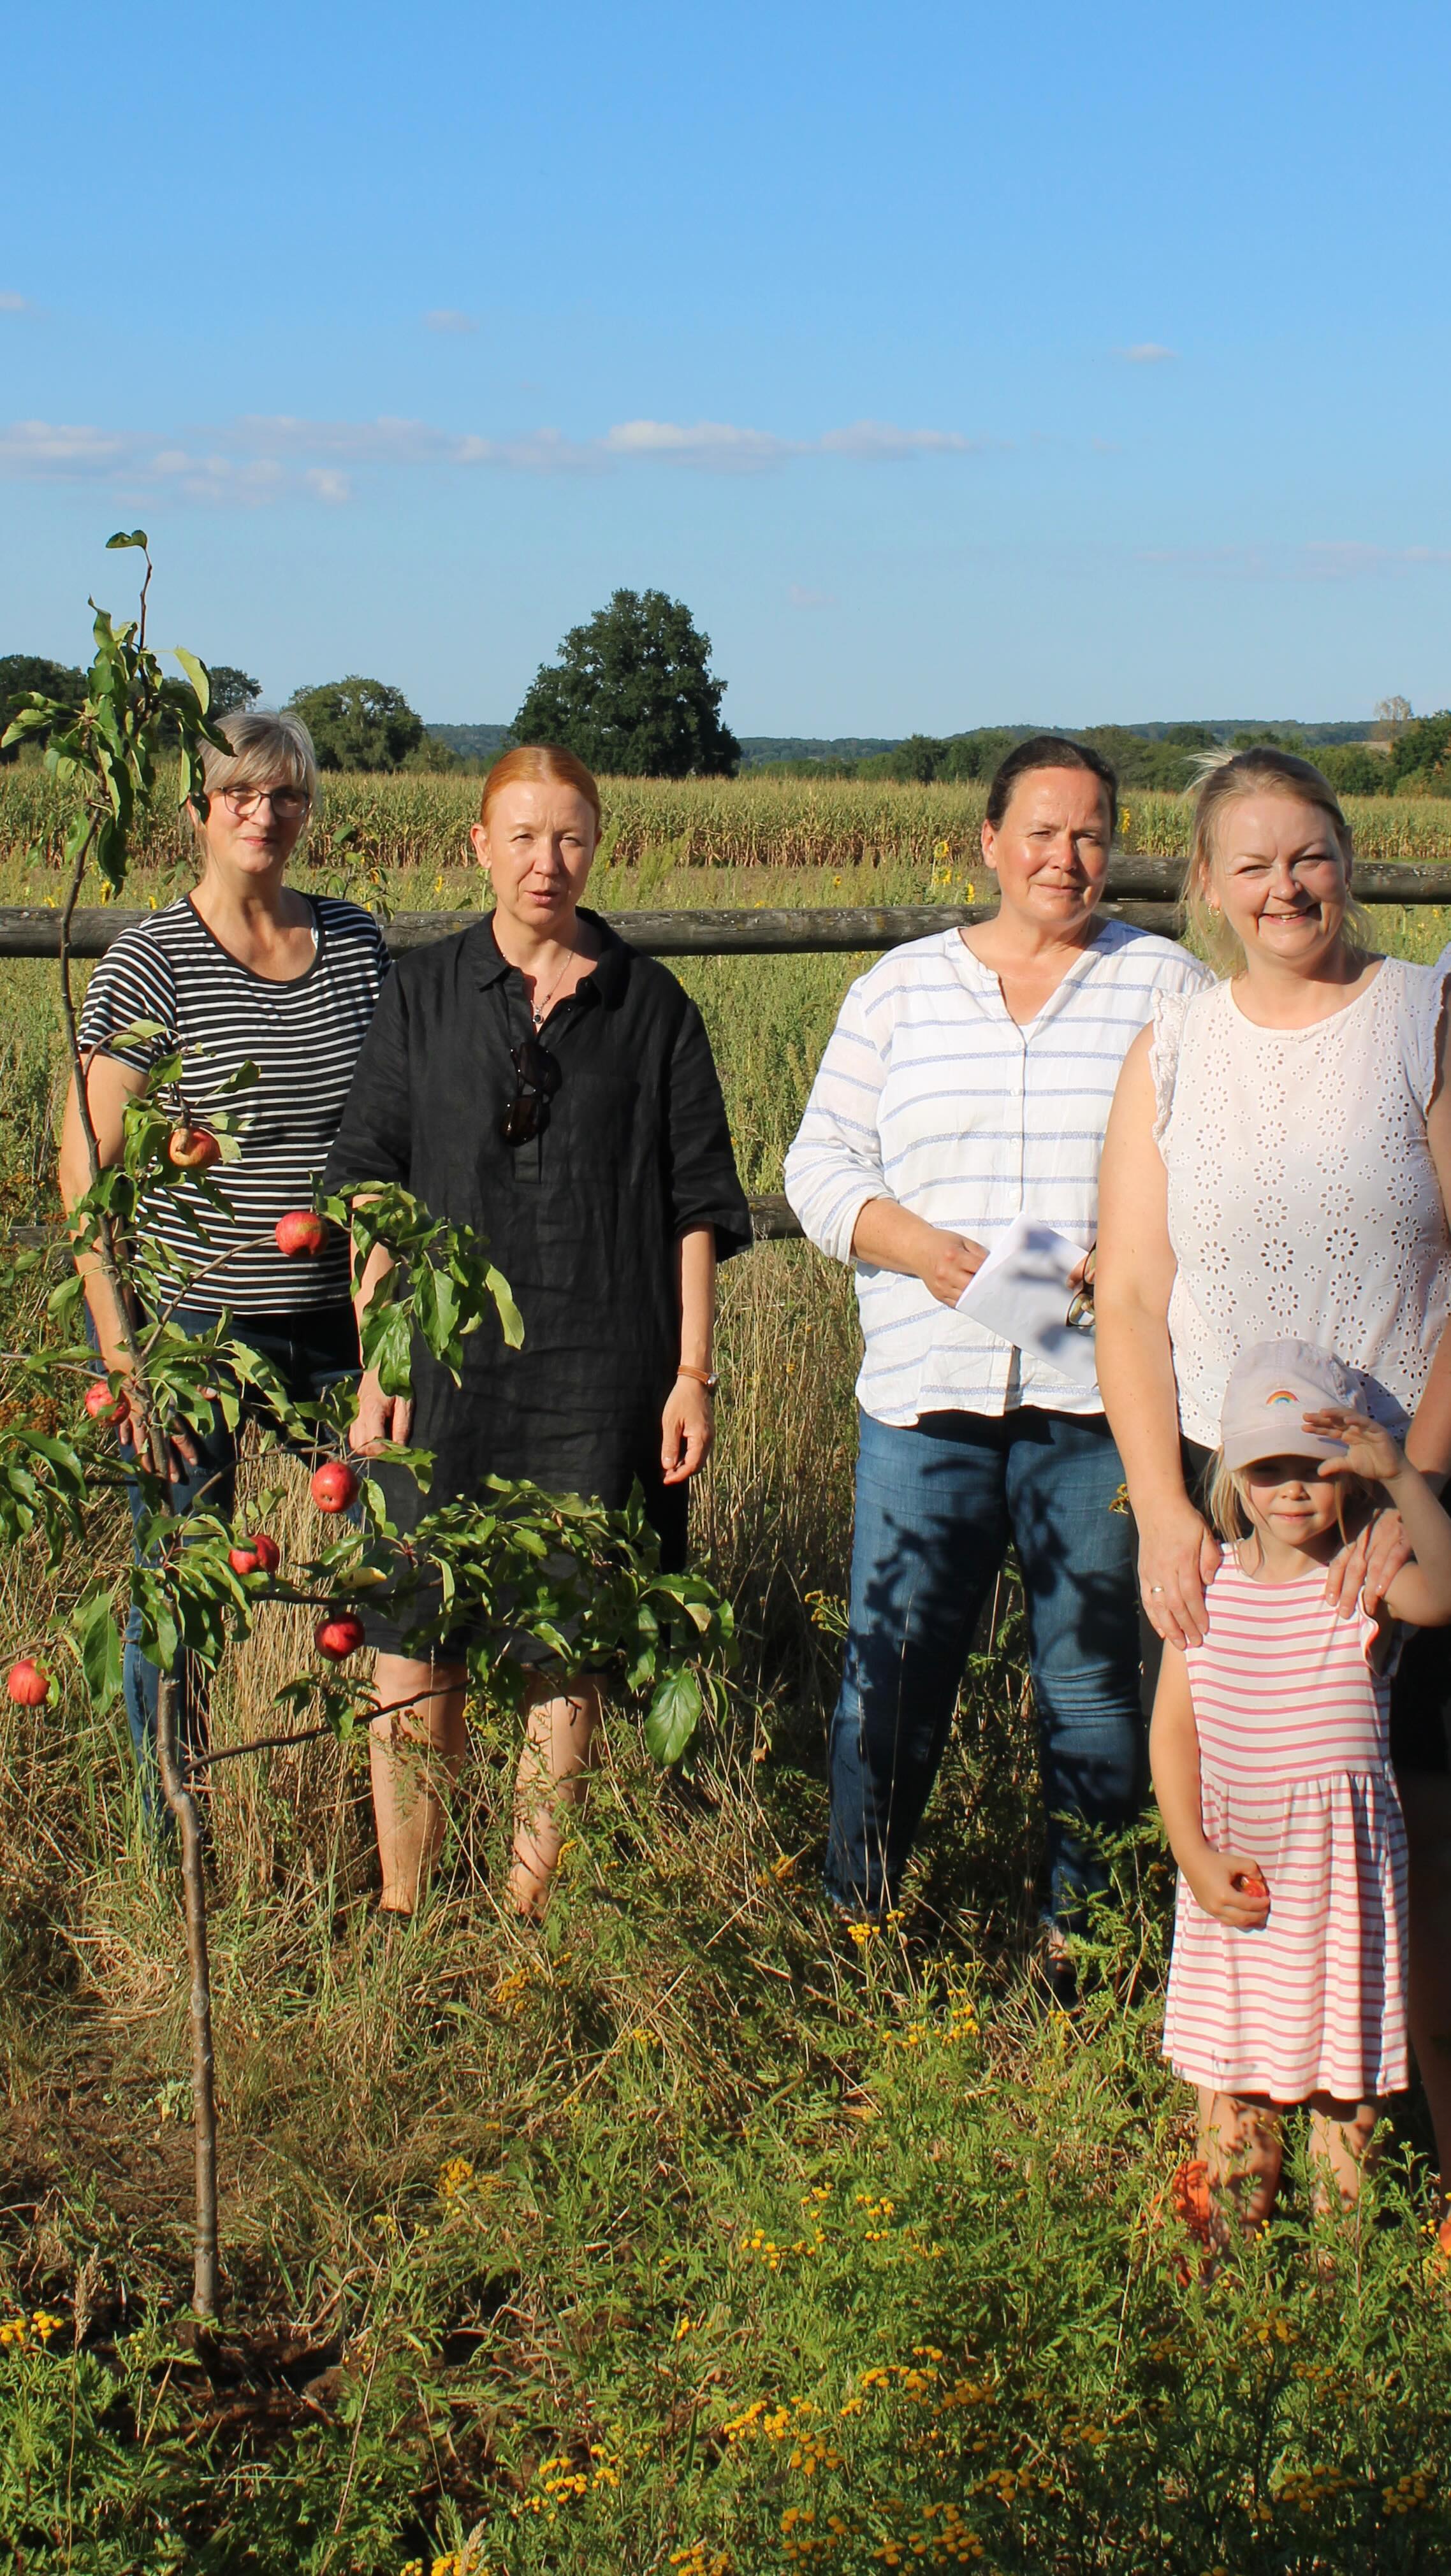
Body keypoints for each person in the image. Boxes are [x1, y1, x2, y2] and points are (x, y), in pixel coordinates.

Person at [1095, 744, 1451, 2242]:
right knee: (1250, 1833)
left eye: (1306, 854)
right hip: (1238, 1515)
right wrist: (1167, 1509)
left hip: (1406, 1496)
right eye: (1249, 863)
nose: (1283, 885)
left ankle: (1409, 2159)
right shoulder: (1175, 1047)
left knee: (1421, 1847)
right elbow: (1127, 1289)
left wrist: (1415, 1483)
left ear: (1347, 857)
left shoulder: (1426, 1016)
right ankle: (1245, 2176)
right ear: (1206, 883)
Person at [783, 735, 1210, 1950]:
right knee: (894, 1672)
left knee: (1089, 1681)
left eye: (1088, 835)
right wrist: (910, 1241)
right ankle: (856, 1928)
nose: (1065, 858)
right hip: (929, 1388)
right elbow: (817, 1163)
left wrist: (1131, 1258)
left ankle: (1086, 1939)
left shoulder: (1165, 988)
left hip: (1098, 1396)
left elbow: (1212, 1165)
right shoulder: (903, 988)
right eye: (1040, 831)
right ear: (988, 841)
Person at [323, 744, 750, 1922]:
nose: (544, 862)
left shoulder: (651, 1005)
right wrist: (382, 1360)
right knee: (417, 1627)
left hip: (602, 1362)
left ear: (598, 843)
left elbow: (695, 1204)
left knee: (568, 1635)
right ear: (479, 846)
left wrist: (691, 1372)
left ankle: (526, 1919)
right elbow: (367, 1183)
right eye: (520, 836)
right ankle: (409, 1910)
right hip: (441, 1371)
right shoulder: (421, 993)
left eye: (568, 837)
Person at [60, 708, 390, 1795]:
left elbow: (393, 1137)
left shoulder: (353, 944)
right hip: (193, 1329)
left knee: (394, 1545)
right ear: (198, 810)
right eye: (240, 792)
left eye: (286, 793)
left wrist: (388, 1325)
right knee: (182, 1590)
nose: (264, 811)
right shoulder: (152, 959)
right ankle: (177, 1834)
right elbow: (86, 1168)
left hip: (337, 1322)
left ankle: (384, 1794)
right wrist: (123, 1355)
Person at [1152, 1341, 1451, 2242]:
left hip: (1340, 1892)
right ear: (1235, 1480)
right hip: (1240, 1888)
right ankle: (1222, 2305)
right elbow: (1174, 1732)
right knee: (1232, 2097)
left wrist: (1401, 1474)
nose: (1291, 1490)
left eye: (1312, 1470)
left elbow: (1447, 1590)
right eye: (1268, 1469)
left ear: (1346, 1478)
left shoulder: (1362, 1583)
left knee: (1342, 2111)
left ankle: (1334, 2322)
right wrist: (1190, 1852)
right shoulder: (1207, 1587)